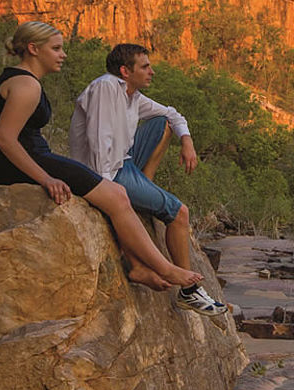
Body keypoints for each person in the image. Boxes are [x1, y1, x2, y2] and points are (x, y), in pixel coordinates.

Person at [0, 21, 225, 313]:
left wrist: (186, 140)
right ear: (33, 49)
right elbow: (4, 139)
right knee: (118, 196)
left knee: (137, 163)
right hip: (25, 163)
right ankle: (164, 268)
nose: (63, 55)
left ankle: (148, 252)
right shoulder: (28, 85)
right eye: (56, 48)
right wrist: (46, 179)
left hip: (47, 157)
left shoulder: (27, 82)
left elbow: (170, 115)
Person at [68, 42, 227, 314]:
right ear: (125, 71)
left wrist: (187, 141)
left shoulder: (133, 97)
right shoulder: (106, 88)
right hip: (105, 172)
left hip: (124, 161)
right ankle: (189, 292)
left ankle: (145, 185)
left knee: (163, 123)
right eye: (145, 67)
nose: (151, 71)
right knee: (179, 213)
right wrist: (109, 195)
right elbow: (98, 141)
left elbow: (173, 114)